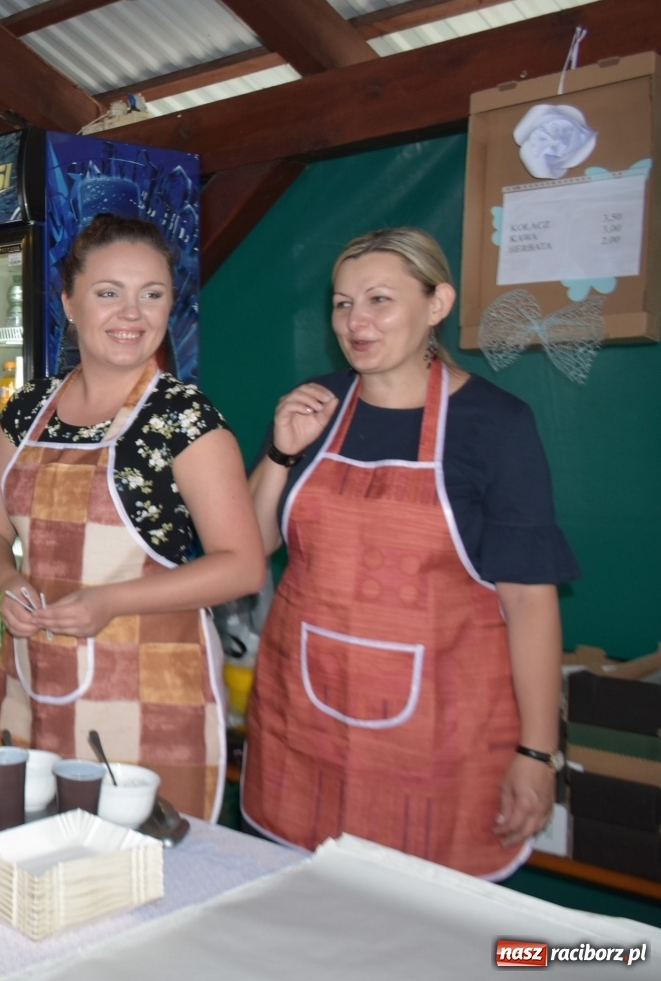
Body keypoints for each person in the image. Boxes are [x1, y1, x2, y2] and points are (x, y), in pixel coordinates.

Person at [241, 227, 577, 880]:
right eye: (342, 304)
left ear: (437, 303)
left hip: (438, 744)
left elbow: (530, 601)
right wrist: (281, 452)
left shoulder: (496, 425)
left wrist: (538, 755)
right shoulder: (317, 404)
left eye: (379, 300)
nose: (355, 322)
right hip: (302, 725)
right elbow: (250, 553)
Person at [0, 214, 266, 823]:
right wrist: (8, 582)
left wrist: (110, 602)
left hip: (149, 694)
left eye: (152, 295)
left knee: (140, 872)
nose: (133, 314)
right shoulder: (27, 410)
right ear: (69, 302)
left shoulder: (182, 417)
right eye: (109, 293)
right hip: (37, 680)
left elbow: (243, 567)